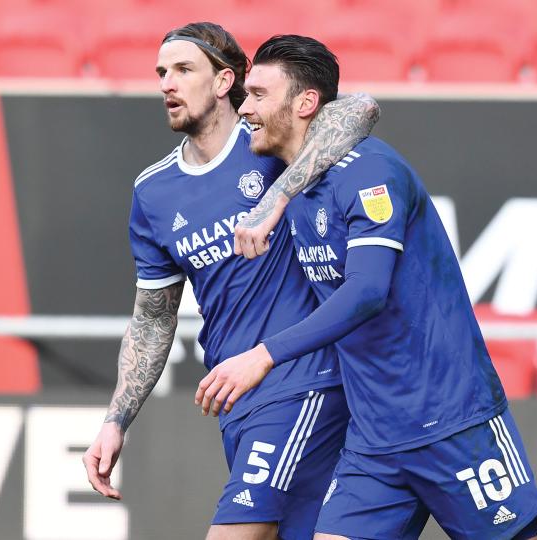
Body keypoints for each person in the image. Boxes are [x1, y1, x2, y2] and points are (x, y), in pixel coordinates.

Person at [196, 35, 537, 539]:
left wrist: (264, 355)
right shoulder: (287, 179)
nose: (245, 106)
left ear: (305, 103)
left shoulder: (370, 171)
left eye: (258, 94)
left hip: (451, 419)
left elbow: (366, 291)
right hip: (373, 440)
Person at [81, 23, 380, 540]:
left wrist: (277, 197)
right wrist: (116, 420)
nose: (166, 84)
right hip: (236, 399)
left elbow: (361, 109)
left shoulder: (270, 139)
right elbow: (154, 318)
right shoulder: (153, 192)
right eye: (160, 73)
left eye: (182, 70)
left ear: (224, 82)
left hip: (300, 378)